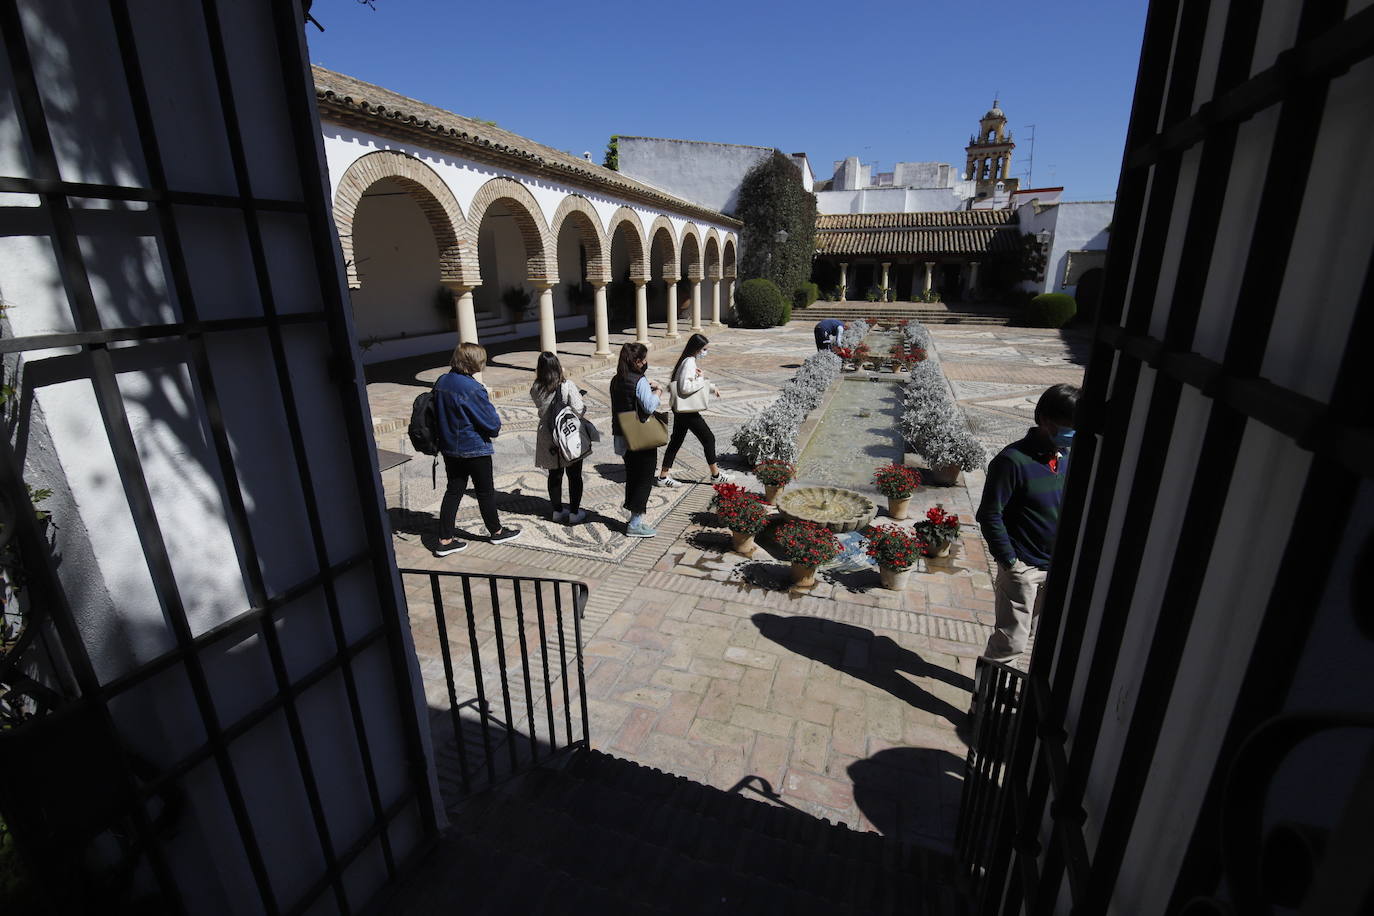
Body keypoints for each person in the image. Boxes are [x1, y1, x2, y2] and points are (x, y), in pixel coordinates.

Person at [976, 384, 1079, 663]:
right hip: (1024, 567)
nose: (1073, 435)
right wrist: (1011, 563)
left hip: (1052, 564)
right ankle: (984, 702)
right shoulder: (1011, 461)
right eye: (1068, 427)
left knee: (1033, 634)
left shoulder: (1066, 457)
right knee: (1010, 643)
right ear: (1045, 420)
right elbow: (989, 514)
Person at [433, 342, 522, 556]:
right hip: (473, 448)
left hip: (449, 447)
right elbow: (492, 424)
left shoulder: (442, 381)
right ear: (472, 362)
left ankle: (444, 540)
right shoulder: (472, 388)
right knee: (484, 492)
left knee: (453, 491)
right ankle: (497, 532)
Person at [656, 333, 733, 488]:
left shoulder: (686, 360)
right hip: (687, 411)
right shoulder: (689, 362)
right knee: (708, 439)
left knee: (676, 441)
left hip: (681, 409)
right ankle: (716, 475)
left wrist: (711, 387)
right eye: (704, 349)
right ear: (697, 348)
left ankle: (663, 477)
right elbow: (685, 387)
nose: (705, 352)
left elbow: (688, 383)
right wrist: (701, 379)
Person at [610, 341, 662, 538]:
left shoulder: (616, 379)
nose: (646, 362)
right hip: (641, 436)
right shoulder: (639, 380)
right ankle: (635, 523)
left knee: (632, 475)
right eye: (645, 358)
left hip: (623, 434)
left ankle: (634, 516)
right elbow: (648, 406)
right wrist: (657, 391)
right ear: (638, 361)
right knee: (644, 478)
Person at [530, 351, 588, 524]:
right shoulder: (567, 385)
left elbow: (541, 406)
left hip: (547, 434)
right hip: (566, 433)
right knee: (574, 475)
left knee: (554, 474)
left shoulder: (535, 387)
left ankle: (557, 510)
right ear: (557, 366)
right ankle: (574, 512)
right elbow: (578, 408)